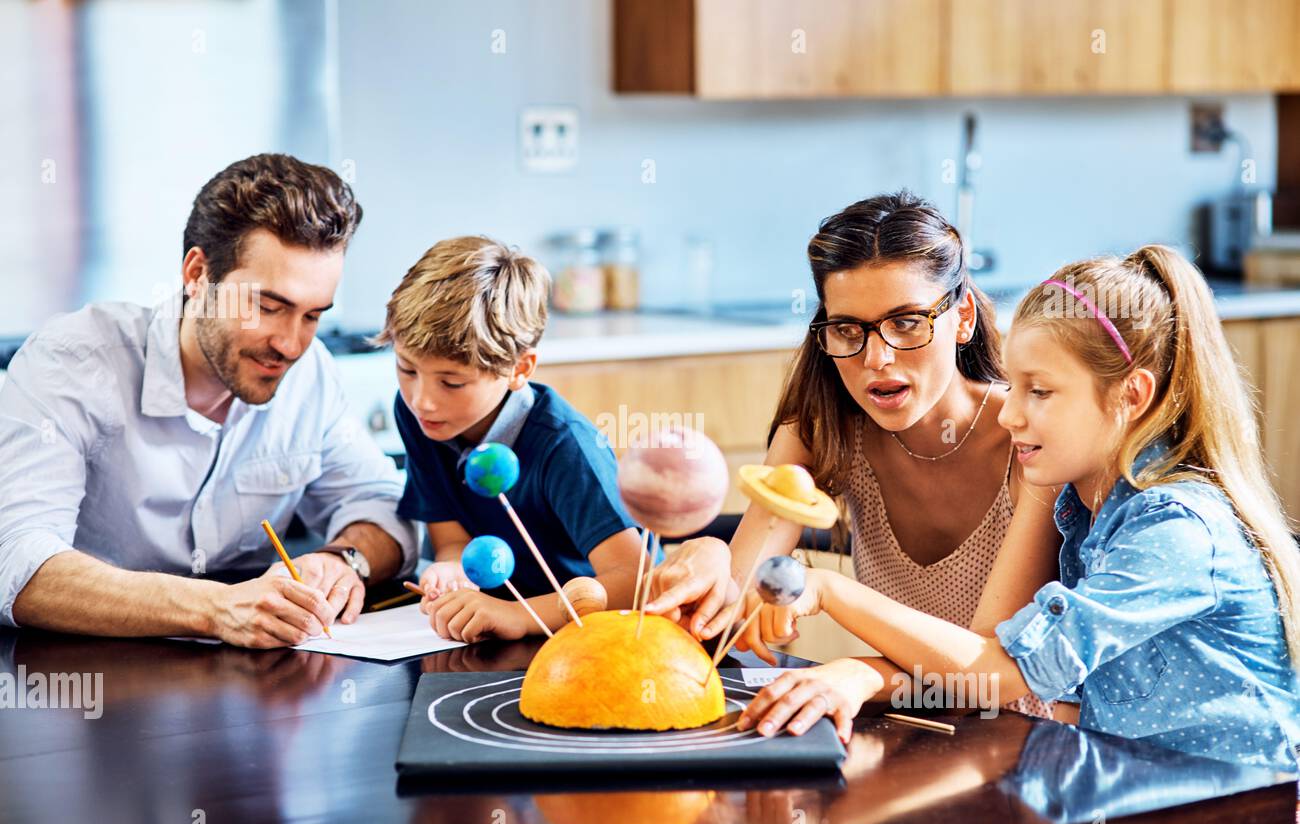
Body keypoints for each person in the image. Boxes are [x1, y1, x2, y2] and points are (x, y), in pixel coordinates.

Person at [737, 245, 1300, 775]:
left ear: (1131, 396)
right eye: (1016, 385)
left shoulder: (1175, 531)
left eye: (1039, 391)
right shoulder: (1089, 510)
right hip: (1141, 800)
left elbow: (1000, 674)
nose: (1009, 414)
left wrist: (830, 591)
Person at [647, 191, 1062, 719]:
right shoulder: (823, 433)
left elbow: (993, 676)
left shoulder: (1027, 439)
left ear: (961, 319)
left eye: (907, 322)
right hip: (907, 731)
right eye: (848, 329)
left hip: (1029, 743)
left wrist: (861, 670)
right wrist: (709, 558)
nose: (876, 358)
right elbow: (737, 608)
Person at [0, 153, 417, 647]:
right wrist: (216, 608)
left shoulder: (312, 374)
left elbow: (385, 504)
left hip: (252, 684)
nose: (291, 344)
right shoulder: (71, 361)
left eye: (312, 316)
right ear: (198, 274)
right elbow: (17, 560)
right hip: (83, 687)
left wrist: (343, 559)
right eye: (268, 306)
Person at [379, 236, 649, 642]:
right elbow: (451, 537)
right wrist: (454, 572)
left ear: (520, 368)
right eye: (406, 369)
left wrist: (518, 615)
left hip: (597, 640)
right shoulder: (421, 417)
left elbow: (636, 582)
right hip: (500, 634)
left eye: (452, 382)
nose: (423, 400)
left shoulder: (565, 445)